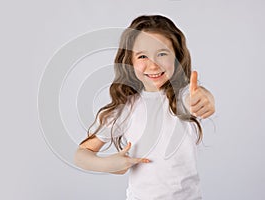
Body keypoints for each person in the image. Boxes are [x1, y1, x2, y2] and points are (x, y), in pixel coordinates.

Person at [74, 15, 215, 199]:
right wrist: (108, 164)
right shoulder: (124, 109)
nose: (153, 64)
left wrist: (205, 99)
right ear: (130, 61)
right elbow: (81, 155)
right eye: (142, 56)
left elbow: (201, 98)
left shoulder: (184, 97)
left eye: (162, 53)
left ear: (177, 56)